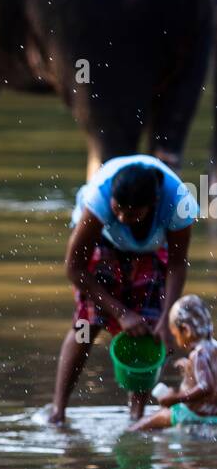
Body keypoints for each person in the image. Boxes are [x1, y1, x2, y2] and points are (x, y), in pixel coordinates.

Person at [49, 156, 197, 425]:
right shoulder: (98, 201)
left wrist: (167, 320)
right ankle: (58, 412)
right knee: (86, 326)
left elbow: (177, 264)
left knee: (150, 333)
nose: (121, 218)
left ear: (152, 206)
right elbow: (74, 268)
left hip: (150, 250)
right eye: (117, 210)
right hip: (102, 245)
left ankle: (136, 417)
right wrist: (121, 312)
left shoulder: (178, 204)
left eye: (131, 214)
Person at [133, 295, 217, 431]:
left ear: (186, 330)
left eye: (175, 334)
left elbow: (205, 387)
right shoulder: (213, 347)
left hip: (194, 414)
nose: (176, 341)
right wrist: (190, 368)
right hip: (213, 414)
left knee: (143, 425)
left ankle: (129, 436)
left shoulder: (199, 354)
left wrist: (174, 399)